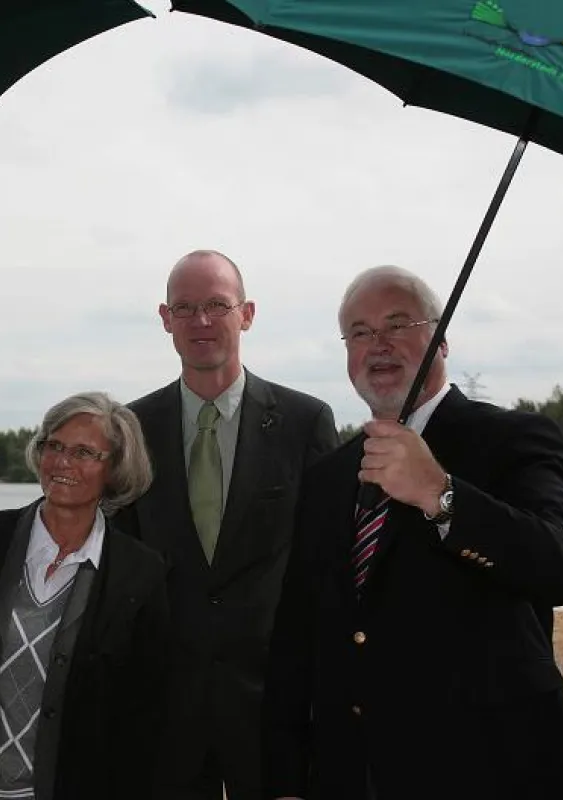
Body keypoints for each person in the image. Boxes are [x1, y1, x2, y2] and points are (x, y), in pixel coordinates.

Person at [263, 265, 563, 799]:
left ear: (441, 341)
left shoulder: (514, 438)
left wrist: (442, 496)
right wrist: (285, 782)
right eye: (359, 332)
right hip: (351, 776)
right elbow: (296, 637)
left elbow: (561, 569)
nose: (379, 344)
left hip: (488, 770)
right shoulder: (328, 475)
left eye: (398, 324)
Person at [113, 250, 339, 800]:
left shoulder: (306, 422)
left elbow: (327, 565)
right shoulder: (131, 427)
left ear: (247, 314)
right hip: (164, 711)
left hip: (274, 707)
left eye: (217, 305)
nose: (201, 321)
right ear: (165, 319)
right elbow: (120, 569)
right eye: (184, 308)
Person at [0, 391, 170, 800]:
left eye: (83, 452)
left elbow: (143, 718)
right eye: (53, 446)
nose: (62, 462)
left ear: (115, 468)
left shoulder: (140, 575)